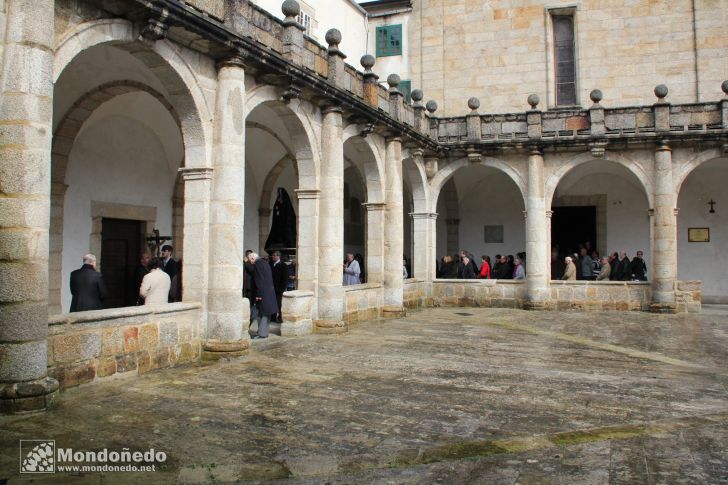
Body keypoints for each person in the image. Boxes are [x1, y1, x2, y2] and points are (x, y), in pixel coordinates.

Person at [249, 252, 278, 339]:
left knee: (261, 314)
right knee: (265, 314)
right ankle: (263, 333)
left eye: (250, 259)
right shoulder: (265, 263)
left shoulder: (258, 265)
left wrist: (258, 294)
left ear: (253, 258)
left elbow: (259, 281)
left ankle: (262, 334)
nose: (250, 261)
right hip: (268, 293)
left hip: (262, 294)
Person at [269, 251, 288, 323]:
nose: (272, 257)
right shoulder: (270, 264)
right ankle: (272, 317)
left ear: (278, 256)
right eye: (272, 255)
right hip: (270, 288)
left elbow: (285, 278)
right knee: (271, 303)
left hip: (279, 289)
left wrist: (282, 289)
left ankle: (280, 317)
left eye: (274, 255)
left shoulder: (283, 265)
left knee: (279, 304)